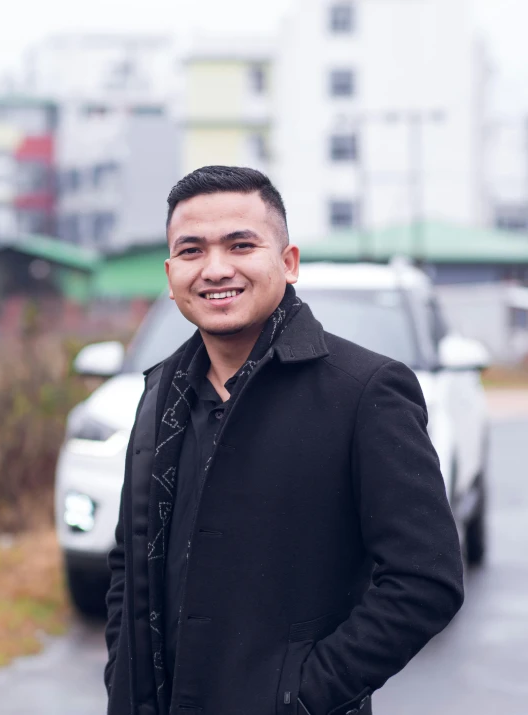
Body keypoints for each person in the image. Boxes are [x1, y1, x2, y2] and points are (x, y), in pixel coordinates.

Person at [104, 166, 464, 715]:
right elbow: (128, 560)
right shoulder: (160, 392)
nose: (216, 268)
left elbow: (424, 581)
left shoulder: (365, 391)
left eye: (241, 245)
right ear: (171, 271)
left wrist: (302, 697)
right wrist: (121, 677)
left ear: (288, 262)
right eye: (192, 250)